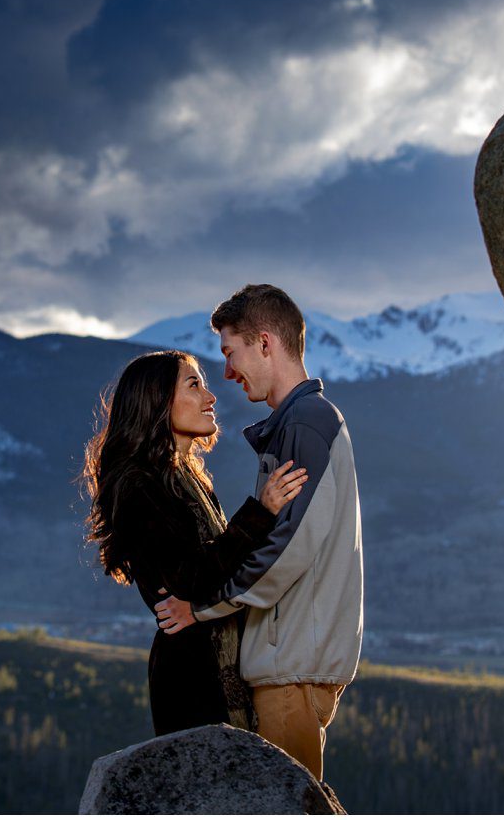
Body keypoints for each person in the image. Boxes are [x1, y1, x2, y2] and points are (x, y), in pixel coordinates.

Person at [155, 284, 363, 783]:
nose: (227, 373)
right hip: (289, 661)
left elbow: (287, 549)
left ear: (265, 343)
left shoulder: (306, 425)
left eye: (231, 353)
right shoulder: (297, 424)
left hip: (290, 665)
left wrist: (199, 606)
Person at [82, 349, 309, 736]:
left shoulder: (186, 478)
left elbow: (216, 568)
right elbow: (190, 578)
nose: (211, 396)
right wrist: (261, 512)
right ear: (157, 402)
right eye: (194, 384)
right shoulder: (140, 485)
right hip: (191, 677)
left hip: (213, 665)